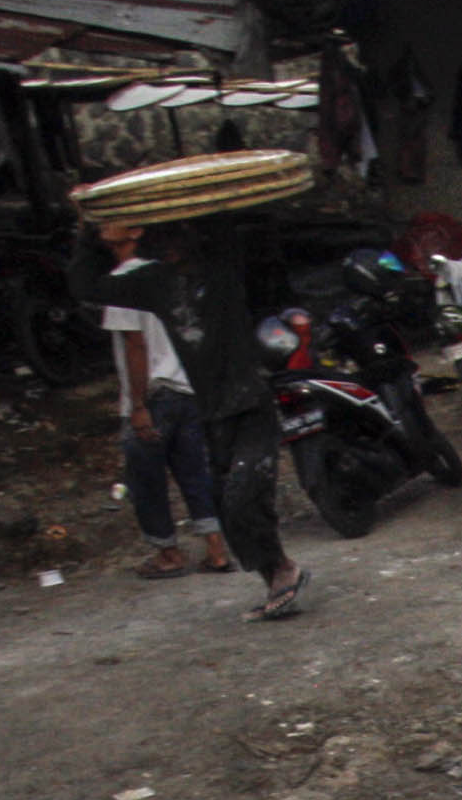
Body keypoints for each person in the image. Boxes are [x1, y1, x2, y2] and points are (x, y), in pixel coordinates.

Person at [76, 210, 307, 621]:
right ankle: (277, 572)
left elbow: (233, 231)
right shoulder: (154, 283)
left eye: (178, 233)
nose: (172, 243)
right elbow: (87, 286)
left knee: (243, 491)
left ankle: (282, 569)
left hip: (249, 400)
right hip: (212, 409)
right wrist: (84, 235)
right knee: (227, 501)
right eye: (165, 235)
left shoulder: (224, 269)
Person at [106, 275, 233, 581]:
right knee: (194, 472)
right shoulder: (170, 278)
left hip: (154, 392)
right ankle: (216, 549)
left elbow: (135, 343)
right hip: (184, 387)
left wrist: (137, 406)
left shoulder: (119, 284)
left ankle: (168, 554)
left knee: (146, 478)